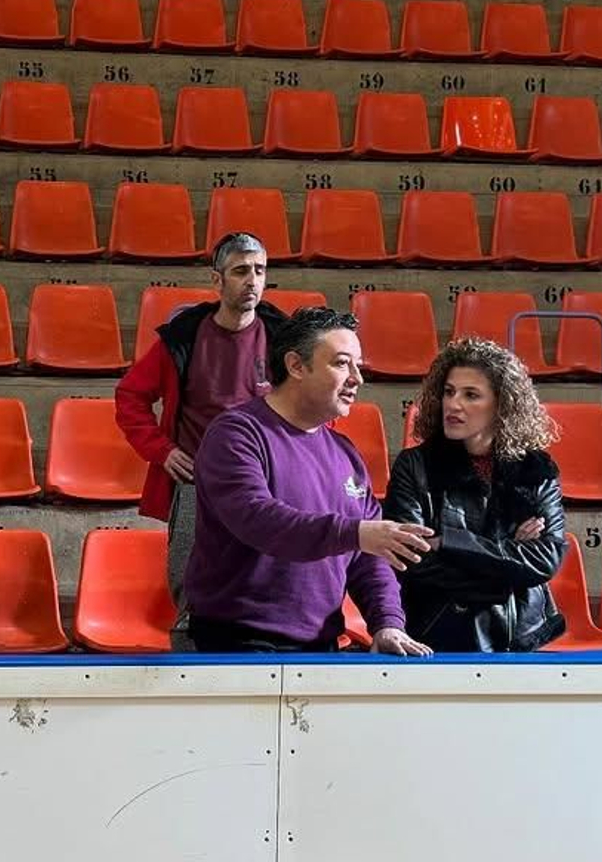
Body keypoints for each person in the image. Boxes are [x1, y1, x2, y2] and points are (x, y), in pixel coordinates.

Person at [184, 307, 434, 655]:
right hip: (236, 643)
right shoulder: (236, 433)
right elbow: (259, 521)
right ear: (296, 366)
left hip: (322, 644)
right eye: (342, 363)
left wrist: (387, 622)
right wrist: (356, 532)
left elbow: (370, 556)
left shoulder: (345, 452)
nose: (357, 378)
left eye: (358, 365)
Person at [114, 232, 290, 609]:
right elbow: (130, 396)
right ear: (217, 280)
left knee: (267, 590)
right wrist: (162, 451)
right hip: (198, 481)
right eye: (241, 271)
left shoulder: (286, 340)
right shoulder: (182, 338)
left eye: (260, 271)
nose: (252, 281)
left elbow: (315, 403)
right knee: (191, 594)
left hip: (268, 482)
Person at [382, 338, 567, 652]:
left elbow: (545, 560)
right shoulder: (414, 466)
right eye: (449, 391)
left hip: (518, 636)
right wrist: (508, 565)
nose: (453, 404)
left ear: (502, 405)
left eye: (471, 395)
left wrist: (449, 542)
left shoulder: (536, 470)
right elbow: (412, 560)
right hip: (438, 631)